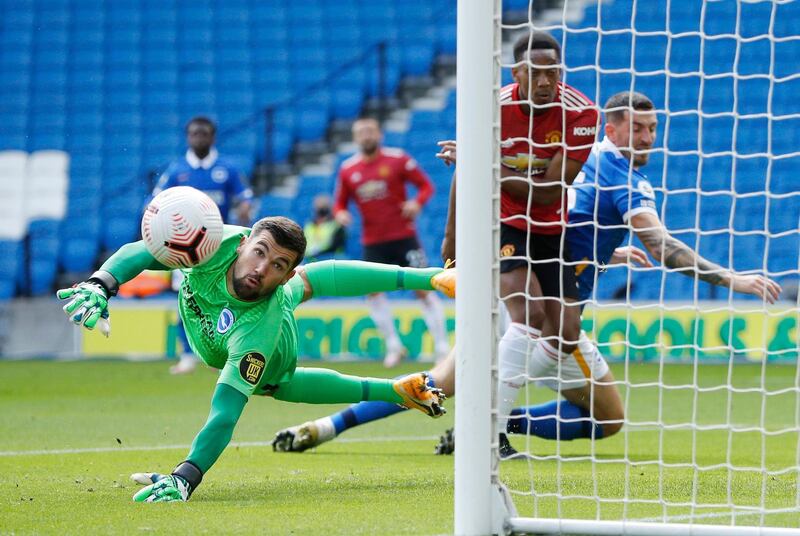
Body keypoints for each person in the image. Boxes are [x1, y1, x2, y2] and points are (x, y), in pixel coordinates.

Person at [270, 91, 781, 457]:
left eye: (653, 129)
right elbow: (664, 247)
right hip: (542, 314)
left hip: (516, 292)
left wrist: (604, 251)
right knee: (603, 416)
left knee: (445, 385)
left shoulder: (580, 159)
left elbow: (558, 218)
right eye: (638, 128)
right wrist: (734, 280)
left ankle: (330, 426)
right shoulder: (624, 178)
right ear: (612, 127)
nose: (648, 138)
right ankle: (488, 426)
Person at [57, 216, 456, 502]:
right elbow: (144, 251)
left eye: (278, 266)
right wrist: (101, 283)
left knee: (278, 383)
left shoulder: (258, 336)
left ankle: (397, 373)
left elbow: (225, 413)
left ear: (283, 276)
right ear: (244, 241)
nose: (261, 268)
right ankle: (401, 372)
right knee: (312, 279)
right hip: (239, 318)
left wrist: (187, 476)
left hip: (270, 339)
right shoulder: (212, 243)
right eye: (259, 253)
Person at [334, 117, 449, 367]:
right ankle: (394, 346)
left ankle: (442, 347)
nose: (366, 136)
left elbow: (426, 186)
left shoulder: (398, 160)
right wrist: (341, 214)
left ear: (379, 134)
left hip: (404, 237)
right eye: (361, 132)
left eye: (370, 131)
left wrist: (416, 203)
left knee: (423, 288)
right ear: (355, 138)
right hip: (373, 241)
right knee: (373, 293)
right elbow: (339, 203)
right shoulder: (348, 169)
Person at [150, 116, 254, 375]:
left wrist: (244, 208)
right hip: (183, 248)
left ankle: (223, 353)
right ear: (188, 137)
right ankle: (187, 354)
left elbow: (245, 197)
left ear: (213, 137)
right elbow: (154, 203)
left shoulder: (226, 169)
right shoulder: (176, 171)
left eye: (204, 133)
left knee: (223, 300)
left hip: (219, 246)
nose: (199, 138)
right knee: (185, 301)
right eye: (194, 134)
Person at [303, 194, 346, 263]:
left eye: (323, 207)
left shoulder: (336, 225)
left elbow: (336, 246)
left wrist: (318, 253)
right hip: (308, 259)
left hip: (329, 260)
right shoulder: (309, 225)